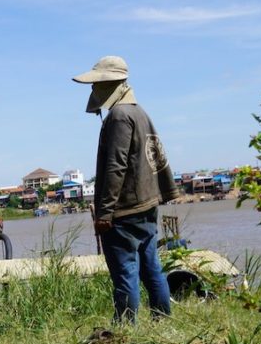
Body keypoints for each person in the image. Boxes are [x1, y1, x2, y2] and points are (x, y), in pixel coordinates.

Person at [72, 56, 180, 323]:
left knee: (125, 273)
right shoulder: (138, 111)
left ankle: (124, 326)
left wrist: (105, 213)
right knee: (151, 266)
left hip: (125, 210)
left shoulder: (119, 116)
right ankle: (162, 319)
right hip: (145, 204)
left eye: (97, 84)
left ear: (111, 84)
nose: (93, 90)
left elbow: (115, 167)